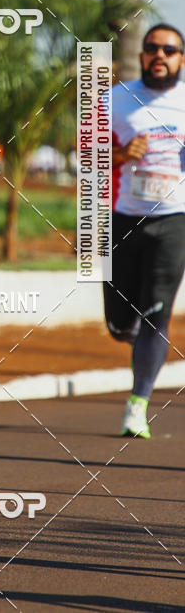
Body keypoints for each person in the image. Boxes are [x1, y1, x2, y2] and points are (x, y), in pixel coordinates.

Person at [104, 23, 185, 438]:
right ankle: (128, 328)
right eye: (152, 48)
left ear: (181, 59)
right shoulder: (114, 99)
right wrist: (118, 154)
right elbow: (85, 155)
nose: (160, 55)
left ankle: (138, 403)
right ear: (141, 56)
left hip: (174, 220)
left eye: (169, 50)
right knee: (119, 324)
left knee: (157, 313)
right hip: (120, 218)